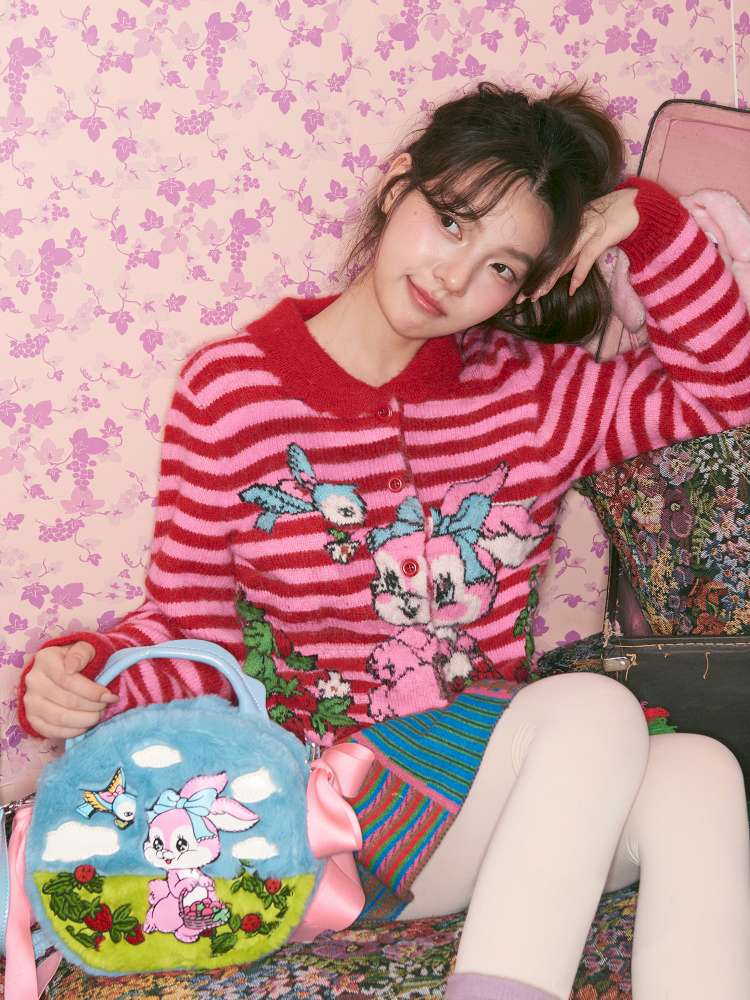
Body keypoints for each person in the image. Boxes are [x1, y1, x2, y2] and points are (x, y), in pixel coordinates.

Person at [17, 83, 750, 999]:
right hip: (338, 817)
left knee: (700, 775)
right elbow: (192, 632)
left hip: (498, 802)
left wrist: (651, 223)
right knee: (593, 711)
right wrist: (85, 671)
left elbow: (728, 393)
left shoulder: (536, 394)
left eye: (500, 266)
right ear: (399, 184)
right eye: (450, 221)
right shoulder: (231, 391)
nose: (454, 277)